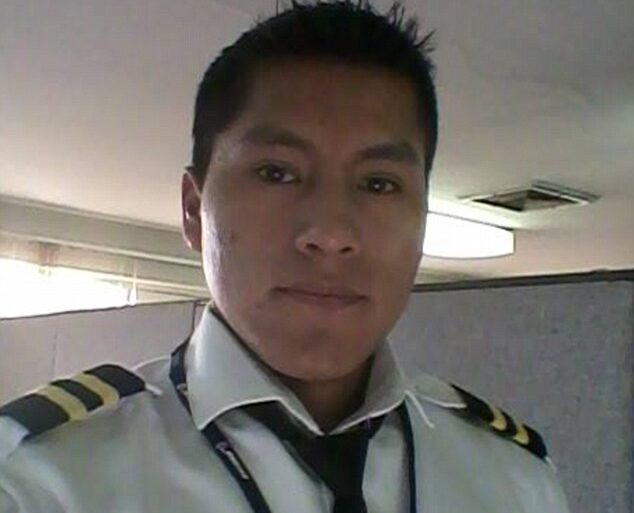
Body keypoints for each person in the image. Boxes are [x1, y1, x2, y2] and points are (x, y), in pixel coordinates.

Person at [0, 1, 571, 512]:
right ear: (194, 210)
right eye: (277, 173)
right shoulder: (44, 481)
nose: (330, 233)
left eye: (378, 184)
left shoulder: (514, 482)